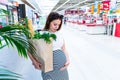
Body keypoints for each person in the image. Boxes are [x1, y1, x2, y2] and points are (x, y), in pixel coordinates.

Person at [28, 12, 70, 80]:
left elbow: (64, 48)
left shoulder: (59, 34)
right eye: (55, 24)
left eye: (59, 25)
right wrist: (34, 61)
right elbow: (30, 49)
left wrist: (68, 60)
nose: (57, 27)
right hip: (48, 69)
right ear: (49, 22)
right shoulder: (41, 34)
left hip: (62, 69)